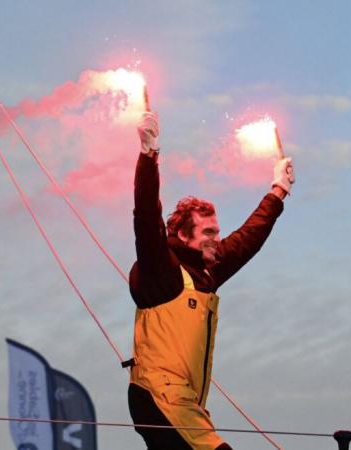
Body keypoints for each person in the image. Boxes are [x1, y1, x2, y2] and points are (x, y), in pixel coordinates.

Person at [124, 111, 293, 450]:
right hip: (159, 397)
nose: (217, 238)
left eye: (217, 231)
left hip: (185, 402)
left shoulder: (206, 272)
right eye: (209, 232)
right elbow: (146, 217)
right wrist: (148, 154)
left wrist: (278, 191)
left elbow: (248, 237)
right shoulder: (164, 271)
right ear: (184, 236)